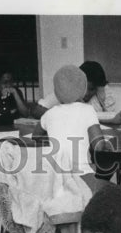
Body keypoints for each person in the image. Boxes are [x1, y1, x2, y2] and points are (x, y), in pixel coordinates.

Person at [34, 65, 113, 195]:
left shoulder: (49, 114)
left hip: (55, 177)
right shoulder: (88, 110)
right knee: (111, 190)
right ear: (83, 90)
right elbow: (98, 146)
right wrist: (106, 144)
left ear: (57, 93)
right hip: (82, 175)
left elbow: (35, 137)